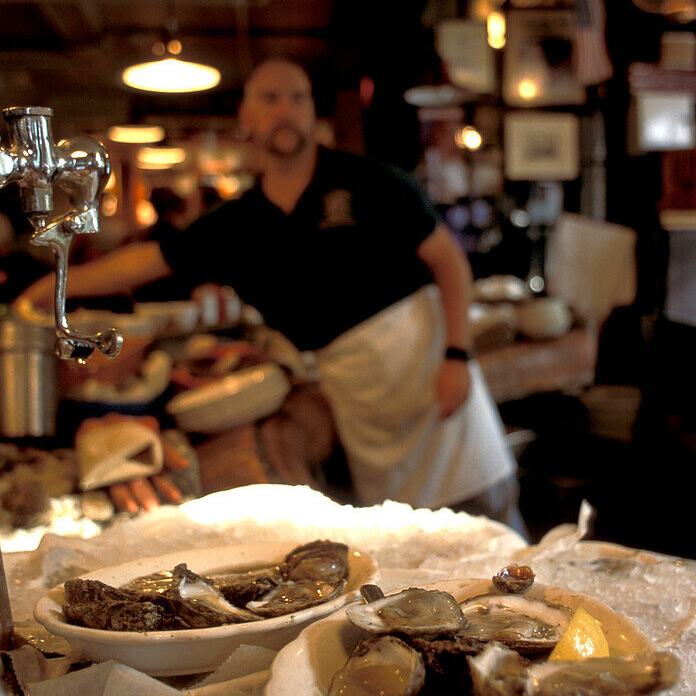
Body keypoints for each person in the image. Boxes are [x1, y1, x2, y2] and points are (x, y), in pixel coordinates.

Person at [18, 60, 525, 533]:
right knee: (408, 536)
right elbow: (147, 260)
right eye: (271, 98)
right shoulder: (240, 223)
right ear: (247, 116)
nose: (285, 110)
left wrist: (458, 354)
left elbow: (450, 263)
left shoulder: (370, 182)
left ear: (312, 112)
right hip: (355, 390)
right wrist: (53, 284)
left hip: (430, 366)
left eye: (297, 98)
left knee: (491, 520)